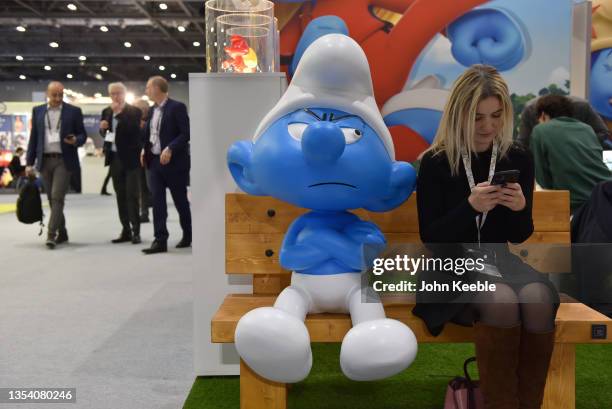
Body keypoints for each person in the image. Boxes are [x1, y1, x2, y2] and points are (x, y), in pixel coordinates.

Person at [412, 65, 559, 409]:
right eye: (477, 118)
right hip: (449, 267)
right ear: (459, 114)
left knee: (537, 296)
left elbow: (519, 234)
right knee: (502, 298)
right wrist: (470, 207)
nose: (488, 127)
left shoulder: (516, 156)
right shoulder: (436, 162)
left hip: (498, 261)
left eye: (496, 116)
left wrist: (520, 207)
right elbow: (433, 239)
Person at [26, 81, 86, 249]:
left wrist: (76, 140)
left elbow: (82, 134)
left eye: (60, 94)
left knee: (57, 197)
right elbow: (34, 139)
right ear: (47, 94)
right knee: (52, 201)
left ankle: (51, 234)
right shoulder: (38, 111)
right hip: (44, 160)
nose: (58, 98)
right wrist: (29, 163)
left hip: (64, 160)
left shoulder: (74, 111)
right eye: (54, 95)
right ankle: (63, 231)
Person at [530, 94, 612, 213]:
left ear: (542, 115)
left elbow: (543, 179)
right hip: (606, 192)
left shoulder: (540, 131)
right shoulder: (586, 128)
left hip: (577, 203)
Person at [141, 76, 191, 254]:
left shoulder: (177, 107)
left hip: (175, 163)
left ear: (156, 88)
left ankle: (188, 234)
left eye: (148, 87)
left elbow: (186, 134)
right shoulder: (151, 110)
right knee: (157, 202)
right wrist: (143, 150)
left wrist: (170, 148)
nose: (146, 90)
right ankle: (160, 239)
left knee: (180, 201)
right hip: (154, 162)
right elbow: (150, 135)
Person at [100, 82, 143, 244]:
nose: (116, 96)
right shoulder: (106, 111)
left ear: (124, 94)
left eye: (118, 93)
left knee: (132, 196)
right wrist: (102, 128)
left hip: (131, 159)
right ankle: (125, 229)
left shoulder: (134, 111)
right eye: (113, 94)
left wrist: (118, 114)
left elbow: (134, 131)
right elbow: (106, 134)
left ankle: (136, 231)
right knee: (120, 196)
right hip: (114, 158)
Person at [518, 95, 611, 150]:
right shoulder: (530, 111)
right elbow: (523, 143)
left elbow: (602, 132)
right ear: (542, 116)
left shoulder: (582, 108)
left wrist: (577, 146)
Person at [133, 98, 152, 223]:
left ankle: (149, 209)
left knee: (150, 186)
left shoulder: (152, 120)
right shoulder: (133, 121)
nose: (142, 111)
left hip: (150, 157)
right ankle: (144, 212)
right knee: (141, 186)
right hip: (137, 158)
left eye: (144, 109)